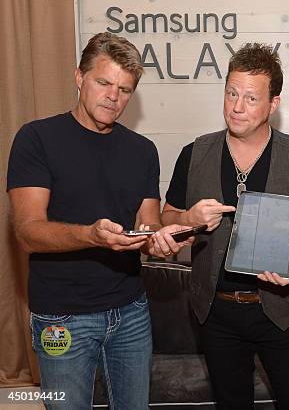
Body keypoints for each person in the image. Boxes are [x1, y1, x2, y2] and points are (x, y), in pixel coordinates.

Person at [7, 32, 190, 409]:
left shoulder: (142, 151)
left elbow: (147, 222)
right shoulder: (36, 139)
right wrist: (92, 235)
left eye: (124, 89)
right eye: (104, 83)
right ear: (79, 78)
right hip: (62, 315)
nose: (113, 96)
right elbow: (27, 232)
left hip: (131, 311)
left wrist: (163, 237)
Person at [161, 43, 289, 410]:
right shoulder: (194, 153)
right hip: (216, 314)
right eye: (231, 94)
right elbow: (166, 219)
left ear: (273, 104)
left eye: (251, 99)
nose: (237, 107)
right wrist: (188, 219)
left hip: (283, 312)